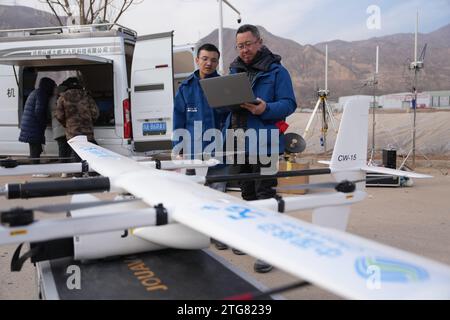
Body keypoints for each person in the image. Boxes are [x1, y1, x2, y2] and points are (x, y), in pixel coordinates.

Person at [225, 24, 297, 273]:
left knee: (265, 194)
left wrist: (265, 109)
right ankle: (252, 238)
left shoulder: (277, 72)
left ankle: (270, 249)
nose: (244, 50)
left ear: (259, 42)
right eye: (240, 46)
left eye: (248, 44)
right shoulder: (234, 71)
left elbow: (289, 104)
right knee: (247, 193)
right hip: (238, 140)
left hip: (264, 141)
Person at [172, 43, 229, 250]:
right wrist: (178, 146)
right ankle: (194, 231)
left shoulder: (223, 86)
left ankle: (220, 233)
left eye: (213, 60)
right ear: (197, 60)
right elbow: (178, 118)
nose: (209, 63)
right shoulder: (186, 87)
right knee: (192, 194)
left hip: (218, 150)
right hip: (192, 151)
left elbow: (230, 116)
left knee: (218, 194)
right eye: (205, 59)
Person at [55, 77, 99, 162]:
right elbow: (95, 113)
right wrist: (89, 122)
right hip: (87, 131)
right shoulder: (86, 96)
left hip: (72, 131)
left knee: (75, 153)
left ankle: (77, 173)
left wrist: (66, 124)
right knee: (90, 153)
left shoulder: (63, 97)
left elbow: (59, 115)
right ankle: (91, 171)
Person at [19, 77, 56, 165]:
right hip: (34, 126)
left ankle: (35, 169)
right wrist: (44, 122)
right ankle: (35, 171)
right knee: (35, 150)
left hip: (30, 125)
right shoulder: (41, 94)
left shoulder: (36, 92)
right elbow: (39, 110)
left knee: (36, 149)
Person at [49, 82, 71, 165]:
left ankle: (63, 170)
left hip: (57, 128)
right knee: (68, 149)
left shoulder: (51, 100)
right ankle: (68, 168)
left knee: (62, 149)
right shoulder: (65, 99)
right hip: (66, 127)